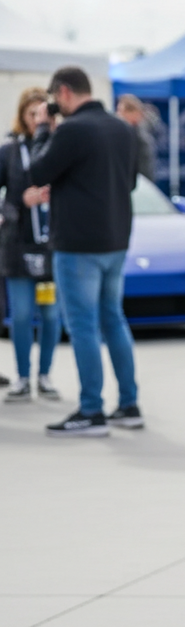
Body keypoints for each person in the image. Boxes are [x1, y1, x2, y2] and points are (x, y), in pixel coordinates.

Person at [28, 66, 141, 437]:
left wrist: (43, 128)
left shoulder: (72, 130)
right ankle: (128, 404)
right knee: (114, 319)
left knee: (83, 327)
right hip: (115, 239)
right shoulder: (121, 127)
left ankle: (91, 409)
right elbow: (131, 181)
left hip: (78, 245)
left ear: (62, 92)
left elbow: (38, 170)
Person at [0, 87, 62, 402]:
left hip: (50, 250)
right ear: (23, 116)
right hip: (17, 247)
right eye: (32, 114)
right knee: (22, 315)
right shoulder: (9, 151)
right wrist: (18, 205)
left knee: (51, 316)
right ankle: (22, 378)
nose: (38, 120)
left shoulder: (61, 147)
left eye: (44, 115)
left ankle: (45, 375)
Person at [115, 94, 155, 182]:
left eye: (120, 111)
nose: (118, 115)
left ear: (133, 113)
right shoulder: (140, 131)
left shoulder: (137, 135)